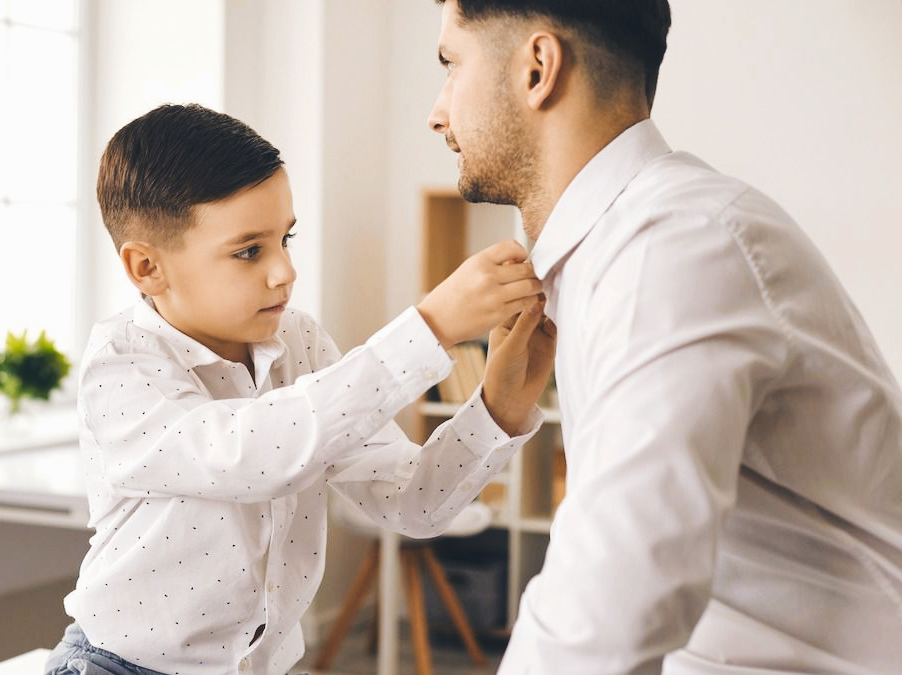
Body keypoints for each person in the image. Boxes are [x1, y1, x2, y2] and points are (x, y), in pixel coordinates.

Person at [426, 0, 902, 673]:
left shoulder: (676, 247)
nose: (437, 111)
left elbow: (608, 609)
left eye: (450, 65)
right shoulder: (616, 249)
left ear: (538, 68)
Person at [44, 103, 556, 675]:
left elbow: (412, 503)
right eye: (248, 251)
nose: (284, 270)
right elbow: (248, 455)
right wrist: (430, 328)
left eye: (285, 239)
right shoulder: (120, 364)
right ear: (146, 268)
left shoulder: (299, 339)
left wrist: (500, 405)